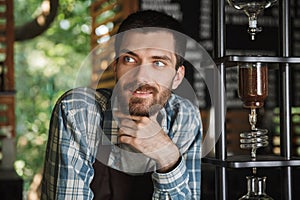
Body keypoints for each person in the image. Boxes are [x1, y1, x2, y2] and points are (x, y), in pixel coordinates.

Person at [41, 10, 202, 200]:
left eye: (158, 63)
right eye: (130, 59)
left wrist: (168, 159)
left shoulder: (184, 116)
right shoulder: (78, 111)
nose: (141, 76)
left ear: (177, 77)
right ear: (116, 67)